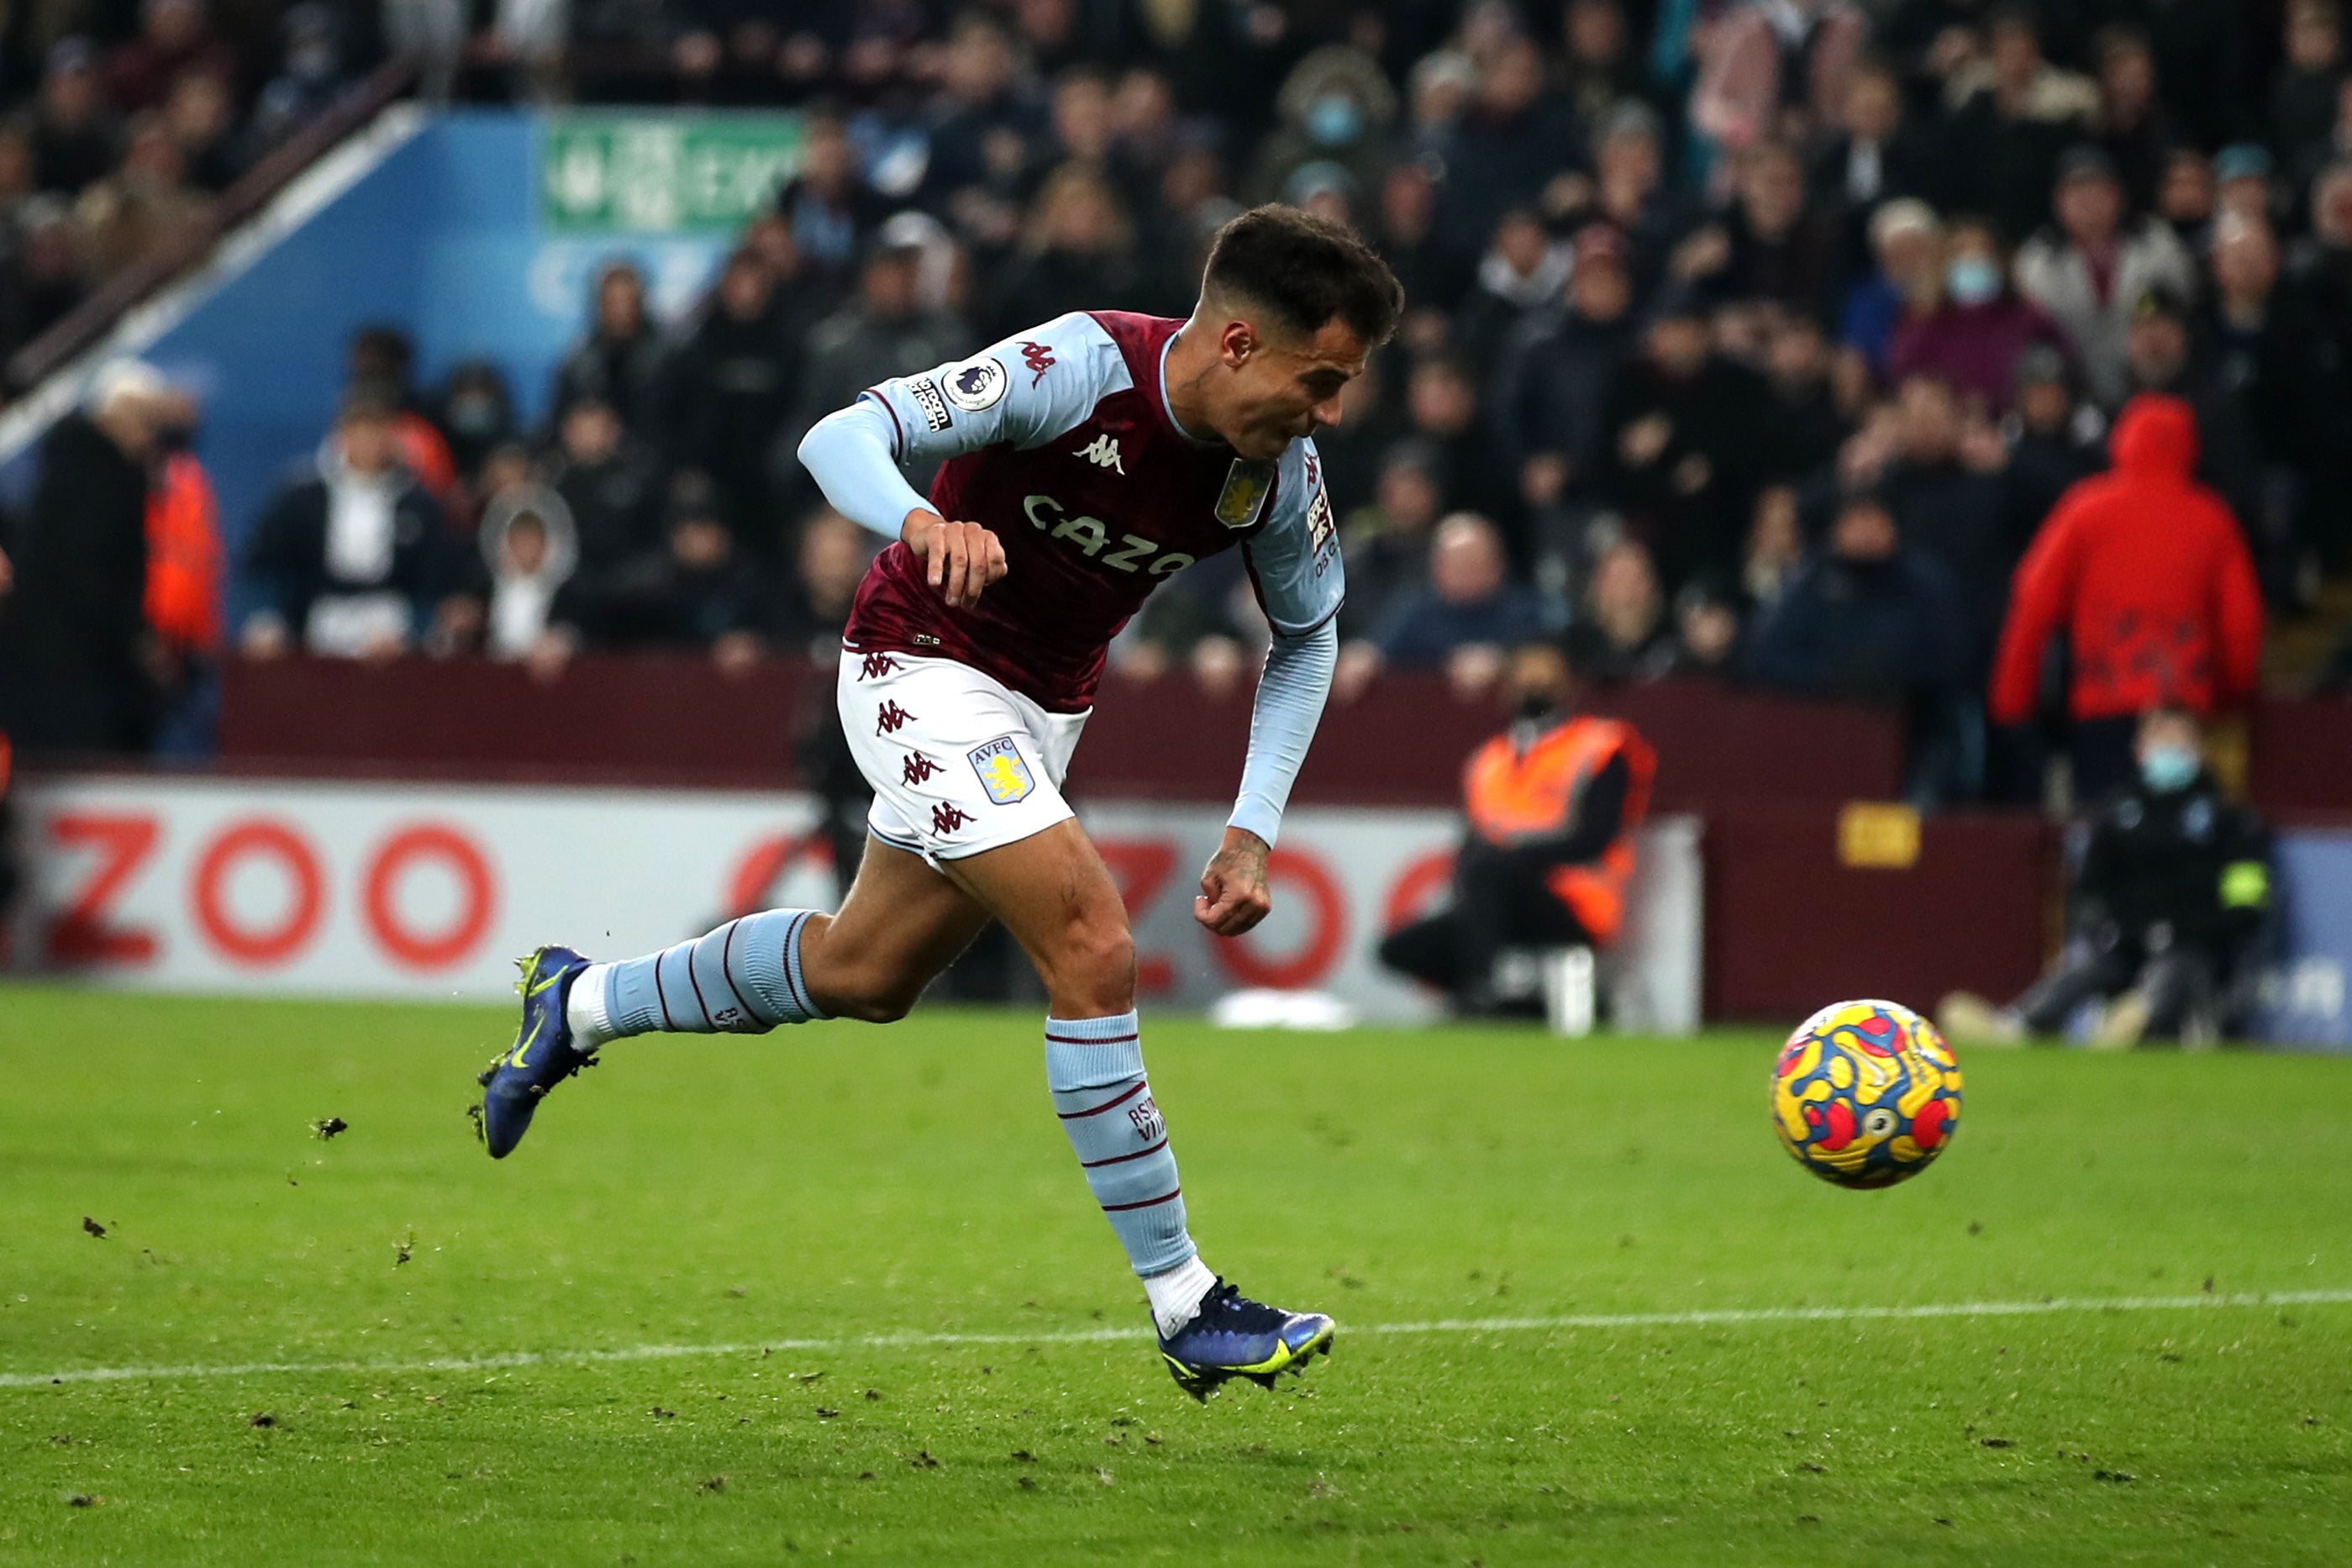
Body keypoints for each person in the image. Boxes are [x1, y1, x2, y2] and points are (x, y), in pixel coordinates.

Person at [476, 205, 1402, 1398]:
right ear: (1234, 344)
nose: (1328, 412)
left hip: (1038, 715)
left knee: (864, 974)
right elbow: (839, 434)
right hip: (916, 662)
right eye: (1318, 379)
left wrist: (1251, 824)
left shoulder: (1276, 480)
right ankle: (1185, 1302)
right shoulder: (1075, 367)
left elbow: (1307, 635)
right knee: (1092, 943)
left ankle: (580, 1000)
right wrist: (920, 517)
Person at [1938, 706, 2272, 1046]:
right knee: (2083, 968)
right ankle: (2017, 1025)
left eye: (2178, 742)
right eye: (2161, 740)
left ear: (2199, 751)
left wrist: (2197, 933)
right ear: (2140, 749)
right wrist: (2109, 929)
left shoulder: (2231, 821)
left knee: (2171, 976)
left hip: (2193, 946)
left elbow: (2247, 904)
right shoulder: (2116, 816)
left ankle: (2134, 1024)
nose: (2169, 751)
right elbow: (2089, 891)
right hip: (2123, 943)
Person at [1988, 393, 2265, 802]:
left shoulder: (2084, 509)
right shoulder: (2212, 518)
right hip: (2182, 705)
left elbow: (2032, 601)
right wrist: (2227, 693)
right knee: (2182, 825)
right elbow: (2243, 623)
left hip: (2102, 701)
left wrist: (2012, 698)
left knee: (2105, 827)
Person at [1376, 642, 1655, 1014]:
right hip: (1491, 896)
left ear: (1569, 684)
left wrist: (1516, 855)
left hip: (1573, 902)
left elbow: (1596, 839)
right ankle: (1512, 1008)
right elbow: (1470, 843)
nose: (1533, 685)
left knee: (1487, 869)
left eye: (1545, 676)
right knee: (1399, 949)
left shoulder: (1600, 746)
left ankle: (1480, 995)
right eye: (1523, 675)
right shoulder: (1489, 760)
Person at [0, 360, 169, 755]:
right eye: (144, 421)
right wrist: (132, 635)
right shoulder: (96, 481)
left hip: (68, 656)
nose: (149, 435)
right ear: (114, 416)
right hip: (74, 661)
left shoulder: (83, 469)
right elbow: (90, 572)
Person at [239, 387, 459, 660]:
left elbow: (433, 581)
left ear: (393, 435)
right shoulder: (302, 499)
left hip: (391, 631)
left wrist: (414, 628)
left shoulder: (419, 505)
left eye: (378, 429)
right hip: (317, 625)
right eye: (359, 428)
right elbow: (263, 564)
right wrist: (266, 619)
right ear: (340, 434)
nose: (368, 440)